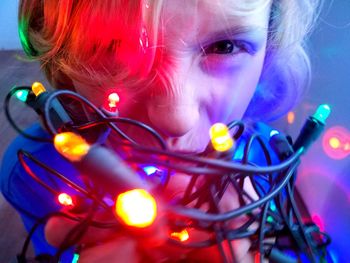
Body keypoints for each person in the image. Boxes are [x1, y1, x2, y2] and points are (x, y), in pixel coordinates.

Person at [1, 0, 321, 262]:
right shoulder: (35, 171)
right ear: (60, 56)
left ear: (271, 44)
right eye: (113, 47)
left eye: (224, 46)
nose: (175, 119)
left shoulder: (268, 156)